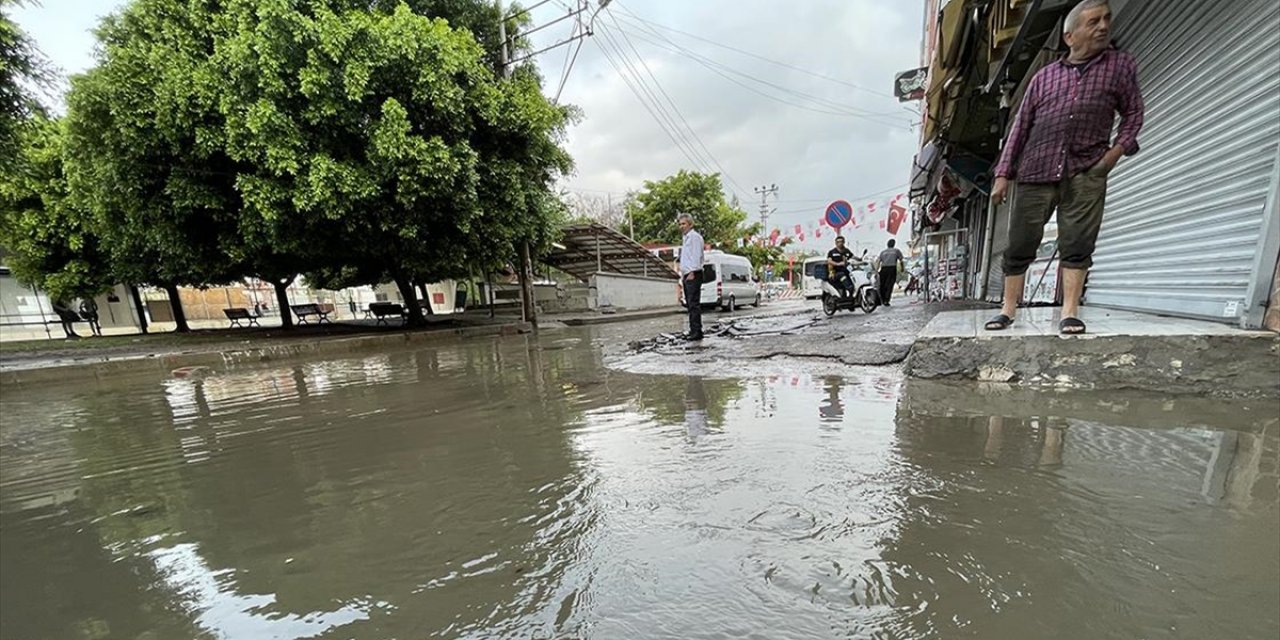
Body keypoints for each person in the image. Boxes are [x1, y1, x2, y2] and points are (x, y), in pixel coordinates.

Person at [986, 0, 1144, 335]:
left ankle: (1070, 311)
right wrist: (1003, 173)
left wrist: (1113, 155)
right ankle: (1008, 309)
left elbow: (1133, 115)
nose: (1102, 27)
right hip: (1036, 169)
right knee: (1020, 242)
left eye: (1105, 20)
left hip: (1087, 168)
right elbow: (1021, 126)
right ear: (1070, 36)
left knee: (1078, 241)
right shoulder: (1044, 77)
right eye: (1093, 22)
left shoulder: (1119, 66)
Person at [677, 212, 705, 341]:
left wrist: (692, 272)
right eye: (680, 224)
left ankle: (697, 332)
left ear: (690, 224)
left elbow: (696, 255)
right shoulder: (686, 238)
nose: (681, 226)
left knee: (693, 304)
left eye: (684, 224)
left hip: (693, 274)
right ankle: (693, 329)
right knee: (690, 304)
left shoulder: (694, 237)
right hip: (687, 274)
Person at [875, 239, 905, 306]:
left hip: (883, 269)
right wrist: (902, 268)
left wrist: (876, 271)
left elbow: (878, 261)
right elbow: (901, 260)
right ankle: (886, 300)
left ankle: (881, 300)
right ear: (894, 244)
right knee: (889, 285)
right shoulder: (896, 251)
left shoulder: (883, 252)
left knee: (882, 285)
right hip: (892, 269)